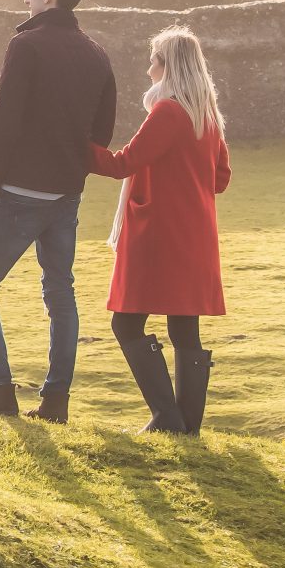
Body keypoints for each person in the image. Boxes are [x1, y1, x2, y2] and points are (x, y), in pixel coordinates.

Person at [0, 0, 117, 424]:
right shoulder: (96, 54)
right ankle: (55, 400)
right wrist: (71, 170)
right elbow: (102, 131)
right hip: (65, 195)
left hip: (21, 191)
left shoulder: (27, 46)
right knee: (60, 292)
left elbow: (4, 117)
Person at [90, 26, 232, 434]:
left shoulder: (168, 112)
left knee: (126, 324)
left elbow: (122, 164)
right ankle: (186, 423)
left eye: (153, 58)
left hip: (159, 235)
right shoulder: (206, 116)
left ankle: (167, 417)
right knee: (183, 326)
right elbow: (219, 179)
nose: (148, 66)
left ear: (168, 67)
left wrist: (74, 147)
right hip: (195, 235)